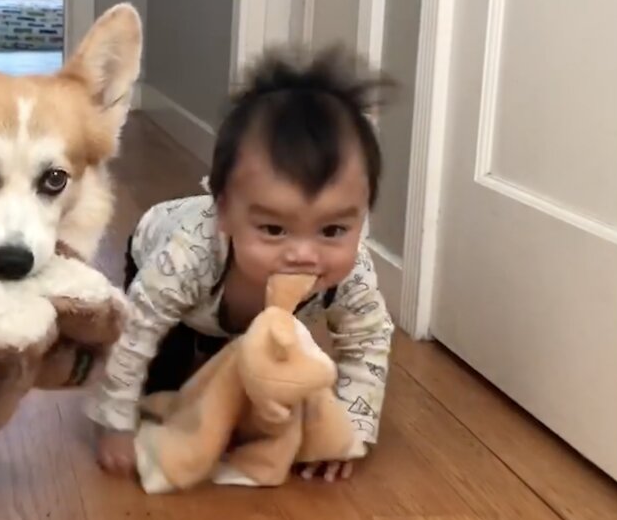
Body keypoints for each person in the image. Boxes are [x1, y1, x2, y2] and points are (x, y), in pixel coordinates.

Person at [88, 45, 395, 483]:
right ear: (226, 211)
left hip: (240, 308)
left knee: (265, 376)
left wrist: (348, 431)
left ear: (362, 215)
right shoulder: (187, 256)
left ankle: (231, 350)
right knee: (167, 387)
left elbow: (368, 342)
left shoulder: (353, 273)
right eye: (274, 228)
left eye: (332, 230)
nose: (304, 254)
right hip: (166, 268)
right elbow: (135, 334)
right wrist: (114, 425)